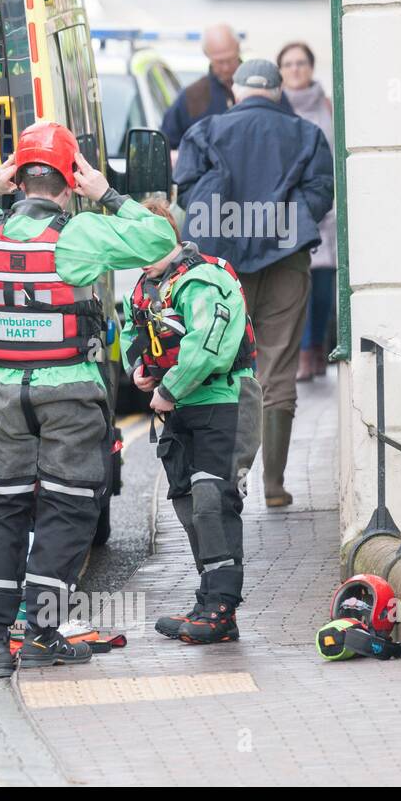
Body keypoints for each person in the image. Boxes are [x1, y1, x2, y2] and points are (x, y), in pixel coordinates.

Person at [0, 122, 176, 678]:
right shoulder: (82, 233)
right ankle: (40, 632)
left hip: (3, 397)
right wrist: (106, 192)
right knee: (69, 507)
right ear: (69, 181)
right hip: (70, 393)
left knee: (0, 514)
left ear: (19, 179)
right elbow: (161, 242)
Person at [174, 60, 334, 508]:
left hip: (224, 268)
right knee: (278, 371)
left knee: (223, 367)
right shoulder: (307, 134)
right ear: (278, 90)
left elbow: (187, 191)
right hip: (287, 263)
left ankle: (225, 476)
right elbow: (321, 192)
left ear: (238, 92)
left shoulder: (206, 131)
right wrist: (284, 218)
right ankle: (275, 485)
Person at [122, 198, 262, 643]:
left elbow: (210, 348)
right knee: (188, 508)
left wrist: (167, 390)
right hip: (178, 407)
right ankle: (209, 602)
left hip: (224, 400)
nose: (139, 255)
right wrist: (140, 371)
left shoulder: (204, 279)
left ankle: (222, 607)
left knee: (213, 501)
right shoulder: (145, 286)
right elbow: (132, 334)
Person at [279, 41, 338, 382]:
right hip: (292, 209)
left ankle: (317, 350)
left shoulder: (327, 105)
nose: (296, 69)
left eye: (301, 63)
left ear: (312, 67)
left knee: (324, 283)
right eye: (288, 64)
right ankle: (302, 355)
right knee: (297, 286)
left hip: (326, 208)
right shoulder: (279, 109)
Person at [159, 23, 241, 155]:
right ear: (207, 55)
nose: (226, 67)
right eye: (219, 62)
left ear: (238, 49)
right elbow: (165, 145)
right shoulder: (192, 97)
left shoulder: (261, 88)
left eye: (230, 60)